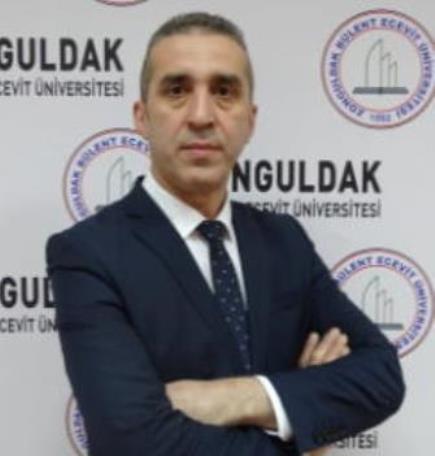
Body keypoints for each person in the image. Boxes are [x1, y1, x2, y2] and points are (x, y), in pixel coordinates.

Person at [46, 12, 405, 456]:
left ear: (250, 120)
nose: (201, 115)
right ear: (142, 117)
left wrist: (238, 397)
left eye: (223, 91)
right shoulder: (88, 253)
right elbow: (131, 439)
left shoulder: (284, 240)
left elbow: (382, 376)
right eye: (177, 90)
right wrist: (301, 423)